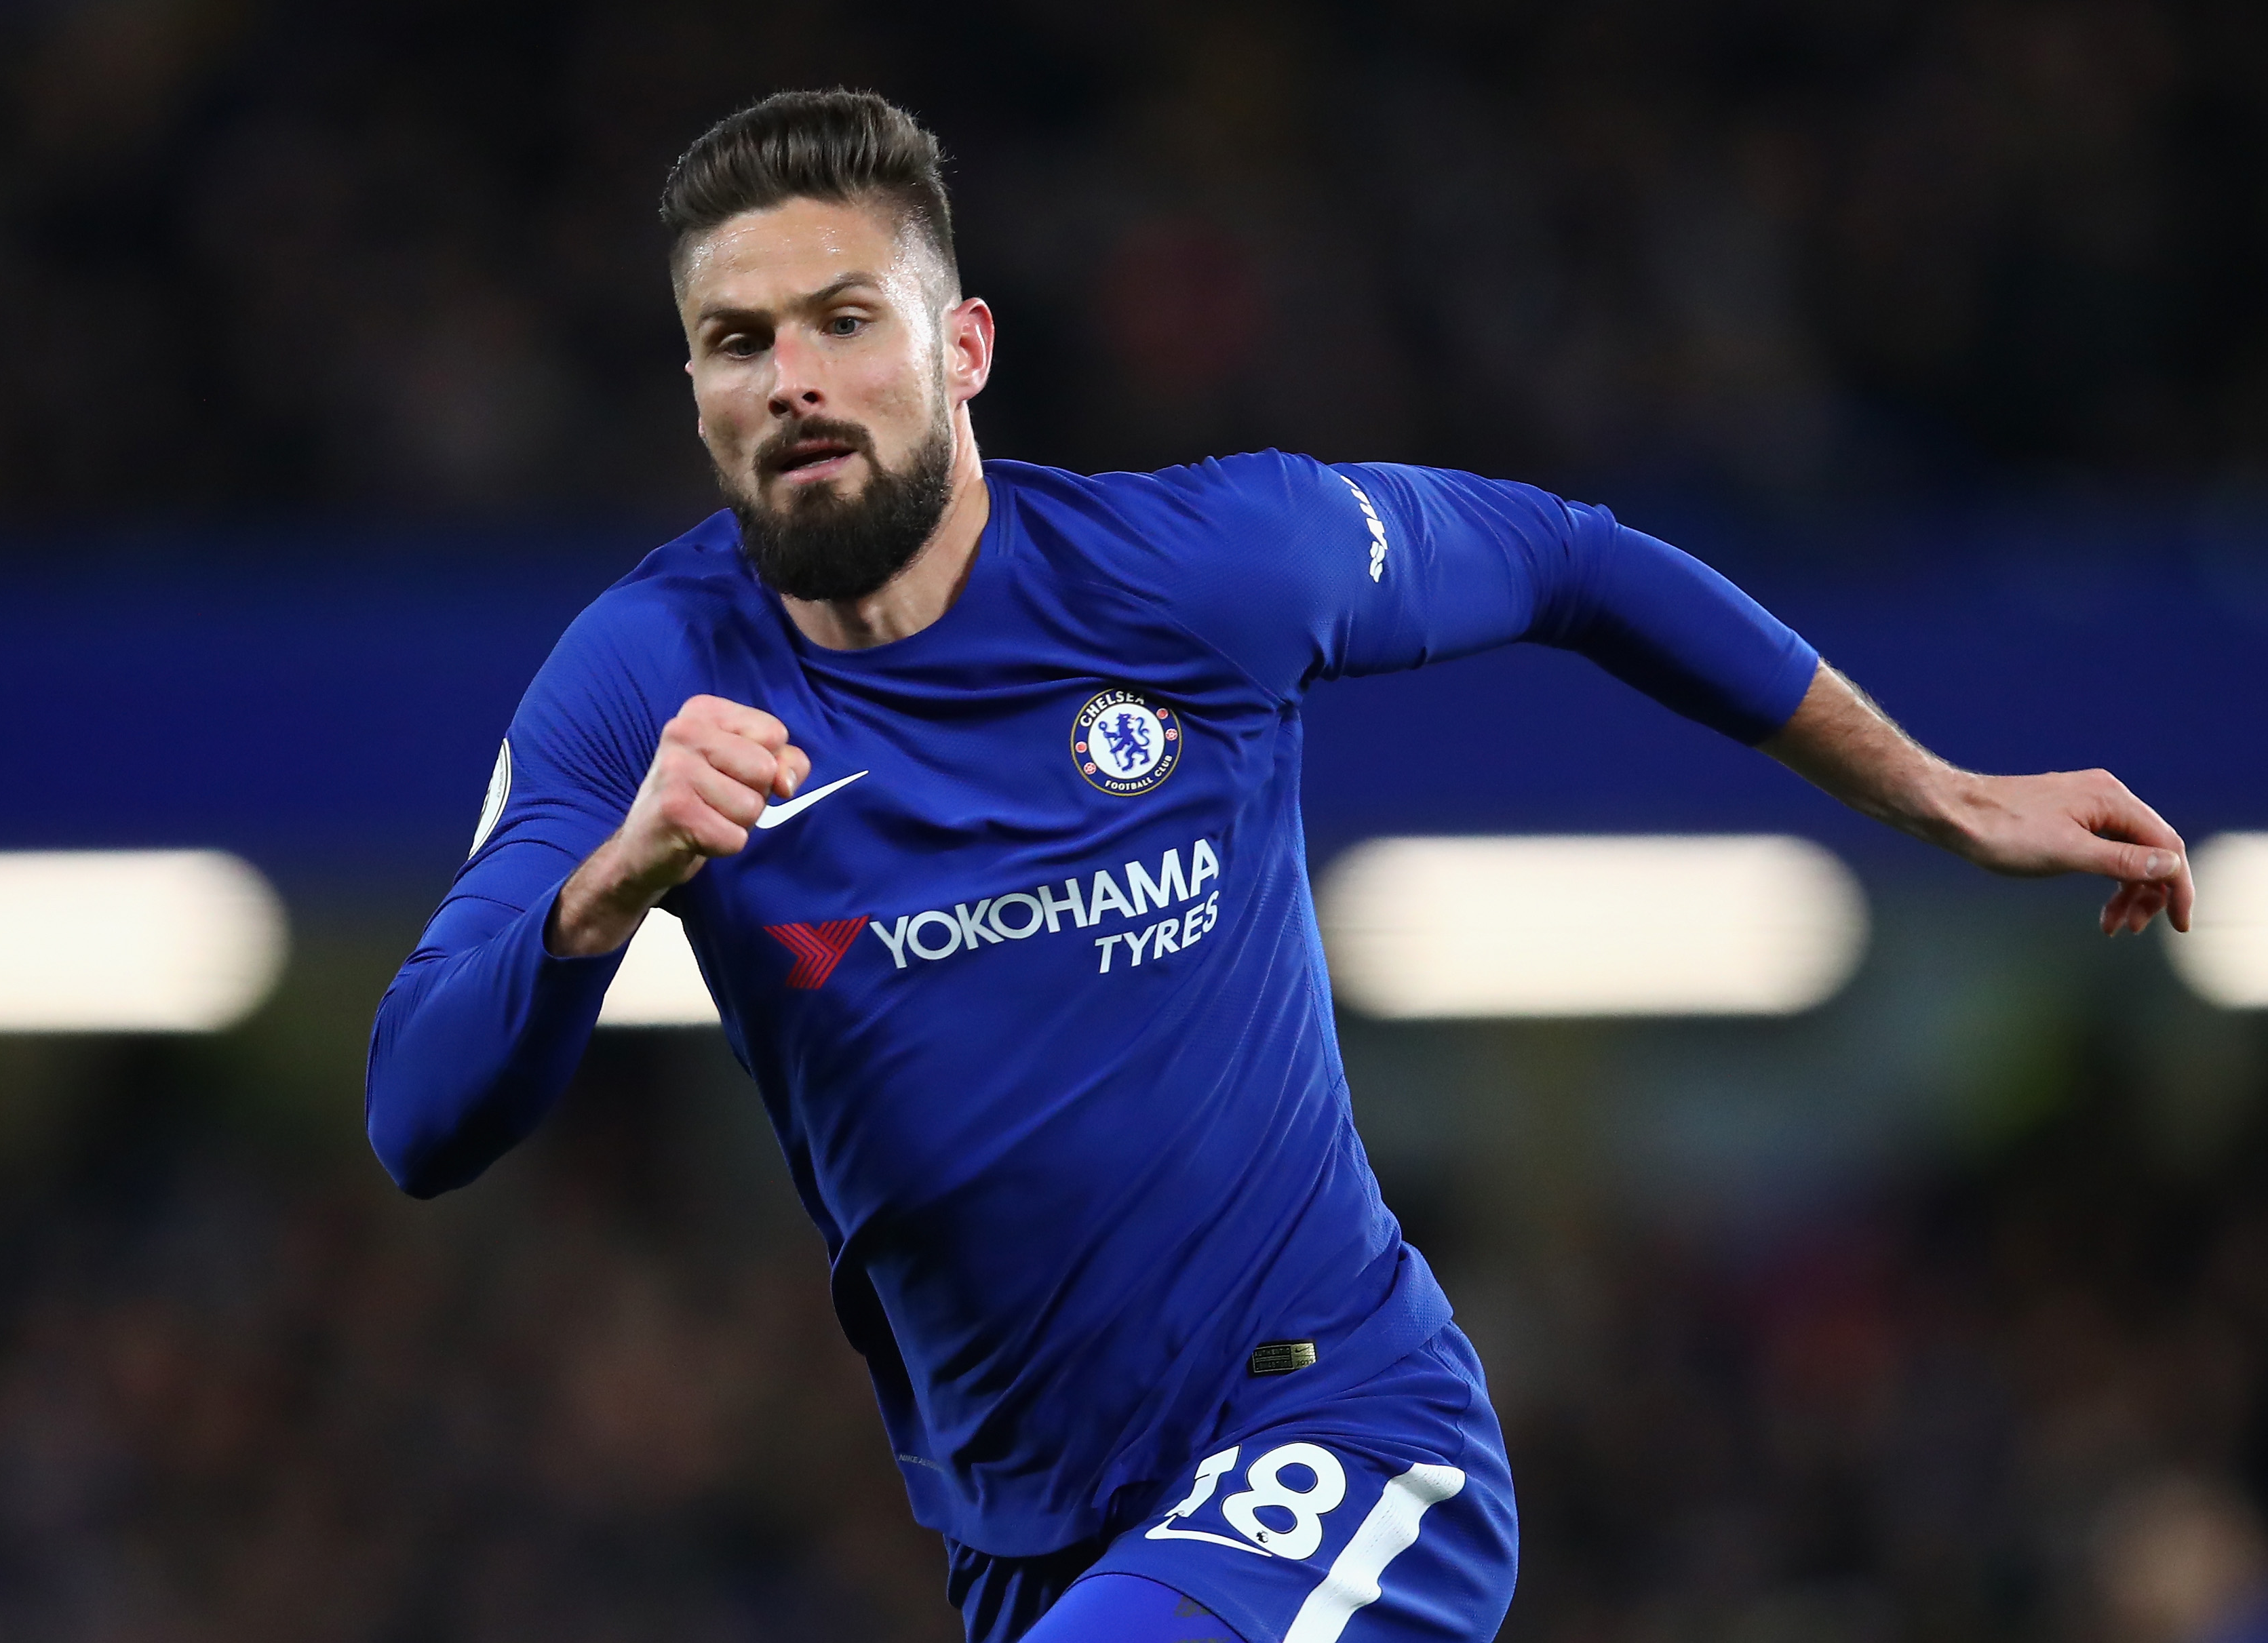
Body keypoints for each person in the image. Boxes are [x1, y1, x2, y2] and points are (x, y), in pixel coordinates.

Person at [364, 89, 2193, 1643]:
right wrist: (608, 887)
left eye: (847, 318)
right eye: (739, 342)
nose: (797, 380)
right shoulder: (641, 685)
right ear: (694, 390)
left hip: (1333, 1433)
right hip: (1034, 1545)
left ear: (964, 347)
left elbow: (1569, 558)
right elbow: (421, 1111)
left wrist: (1936, 795)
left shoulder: (1199, 572)